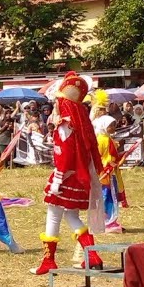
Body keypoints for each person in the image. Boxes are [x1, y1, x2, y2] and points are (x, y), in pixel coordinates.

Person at [34, 72, 105, 275]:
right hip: (78, 176)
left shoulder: (65, 124)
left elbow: (64, 153)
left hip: (65, 176)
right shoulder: (79, 121)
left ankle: (49, 260)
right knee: (71, 216)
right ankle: (92, 255)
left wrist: (57, 179)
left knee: (53, 215)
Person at [94, 116, 126, 234]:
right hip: (106, 173)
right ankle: (107, 222)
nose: (113, 127)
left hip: (110, 172)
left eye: (114, 125)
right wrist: (108, 164)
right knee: (108, 197)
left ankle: (110, 221)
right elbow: (97, 157)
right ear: (103, 126)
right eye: (110, 125)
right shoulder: (102, 140)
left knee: (111, 196)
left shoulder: (108, 138)